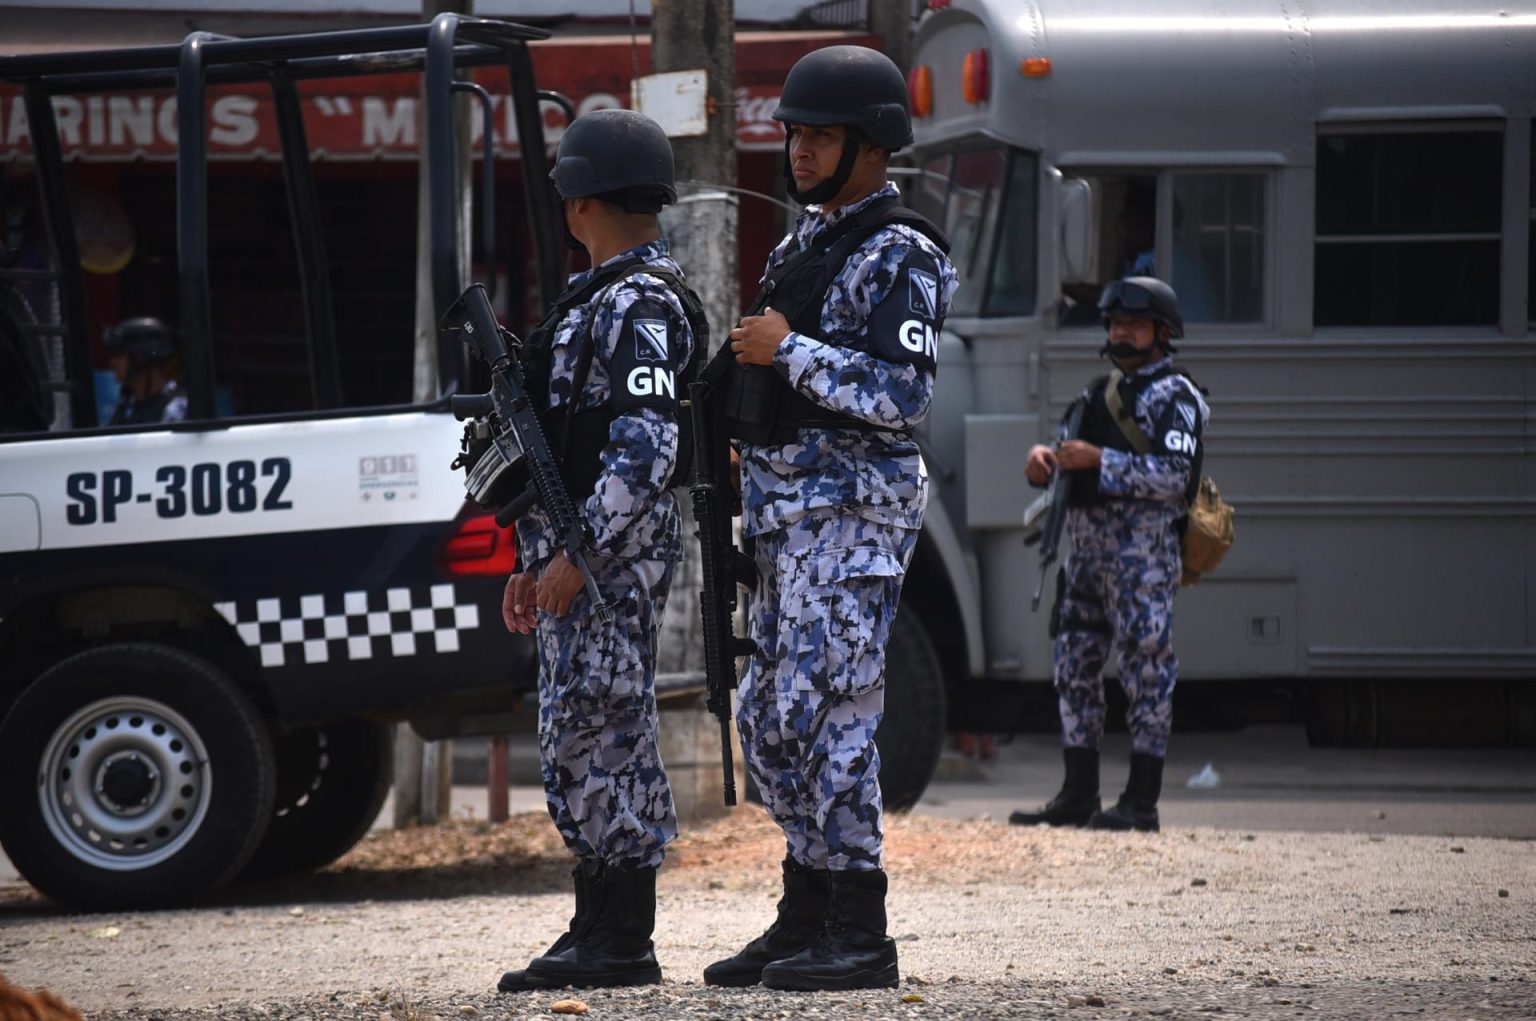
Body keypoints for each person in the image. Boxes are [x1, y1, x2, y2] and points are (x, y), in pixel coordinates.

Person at [703, 45, 957, 992]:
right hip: (786, 518)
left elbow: (901, 394)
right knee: (771, 718)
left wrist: (788, 350)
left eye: (820, 135)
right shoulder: (804, 242)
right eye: (796, 134)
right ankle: (805, 910)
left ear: (870, 143)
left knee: (832, 716)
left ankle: (860, 928)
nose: (800, 150)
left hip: (853, 516)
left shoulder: (904, 253)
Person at [493, 108, 696, 992]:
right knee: (581, 726)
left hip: (608, 561)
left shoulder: (640, 301)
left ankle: (620, 938)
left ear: (579, 201)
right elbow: (568, 446)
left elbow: (646, 444)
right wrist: (534, 553)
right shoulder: (604, 297)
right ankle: (600, 923)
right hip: (579, 552)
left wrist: (580, 553)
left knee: (602, 729)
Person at [1010, 277, 1210, 834]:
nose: (1121, 333)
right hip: (1087, 558)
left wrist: (1100, 461)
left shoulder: (1178, 398)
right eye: (1115, 324)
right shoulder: (1095, 395)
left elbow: (1174, 476)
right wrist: (1043, 460)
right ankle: (1078, 794)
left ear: (1162, 333)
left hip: (1141, 559)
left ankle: (1140, 802)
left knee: (1146, 673)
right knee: (1073, 668)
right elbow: (1060, 453)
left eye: (1134, 325)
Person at [102, 316, 187, 425]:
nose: (112, 363)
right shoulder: (126, 407)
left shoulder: (175, 407)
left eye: (119, 356)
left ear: (141, 357)